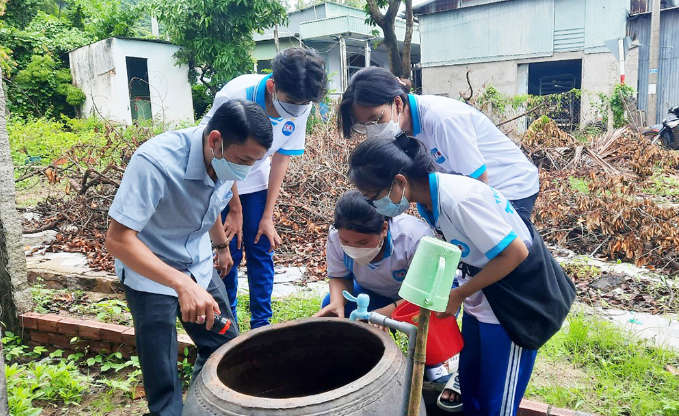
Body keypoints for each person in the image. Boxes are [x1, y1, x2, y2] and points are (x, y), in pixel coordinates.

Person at [346, 137, 575, 416]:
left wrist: (458, 295)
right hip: (484, 298)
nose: (373, 205)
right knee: (472, 385)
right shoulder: (427, 201)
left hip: (515, 303)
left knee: (496, 400)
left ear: (399, 182)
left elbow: (515, 253)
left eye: (373, 197)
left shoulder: (458, 200)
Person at [105, 99, 273, 416]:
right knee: (162, 372)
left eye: (253, 162)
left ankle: (201, 409)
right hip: (149, 276)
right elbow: (118, 240)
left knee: (223, 347)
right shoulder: (156, 163)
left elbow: (208, 207)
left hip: (198, 266)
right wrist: (181, 284)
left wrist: (221, 248)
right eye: (243, 160)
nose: (245, 169)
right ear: (215, 141)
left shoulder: (227, 161)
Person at [200, 47, 328, 329]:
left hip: (257, 180)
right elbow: (220, 152)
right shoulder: (236, 94)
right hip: (224, 174)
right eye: (293, 101)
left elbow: (281, 158)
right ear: (272, 85)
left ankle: (262, 325)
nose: (298, 108)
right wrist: (234, 208)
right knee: (229, 251)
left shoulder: (301, 104)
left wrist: (268, 216)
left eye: (304, 103)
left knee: (260, 246)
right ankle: (228, 323)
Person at [338, 66, 540, 218]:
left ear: (398, 102)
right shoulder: (402, 130)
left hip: (509, 186)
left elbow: (478, 183)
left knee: (505, 255)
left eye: (375, 119)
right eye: (365, 125)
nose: (373, 129)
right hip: (475, 190)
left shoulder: (441, 119)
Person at [313, 190, 434, 319]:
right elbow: (339, 277)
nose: (354, 248)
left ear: (384, 229)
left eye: (363, 242)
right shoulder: (335, 236)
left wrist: (384, 314)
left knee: (429, 326)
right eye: (345, 241)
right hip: (375, 293)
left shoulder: (415, 239)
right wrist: (337, 303)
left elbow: (427, 295)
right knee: (331, 305)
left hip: (421, 298)